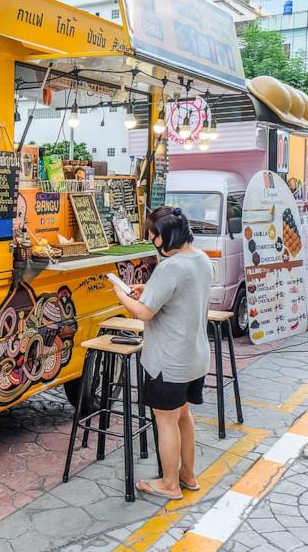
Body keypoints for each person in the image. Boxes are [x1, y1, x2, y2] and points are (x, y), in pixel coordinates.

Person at [111, 206, 212, 500]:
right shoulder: (201, 260)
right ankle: (188, 476)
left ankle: (169, 484)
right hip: (195, 357)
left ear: (165, 236)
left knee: (165, 420)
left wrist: (120, 295)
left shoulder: (170, 267)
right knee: (183, 415)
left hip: (168, 361)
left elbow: (143, 312)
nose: (153, 241)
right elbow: (178, 295)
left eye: (153, 236)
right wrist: (149, 288)